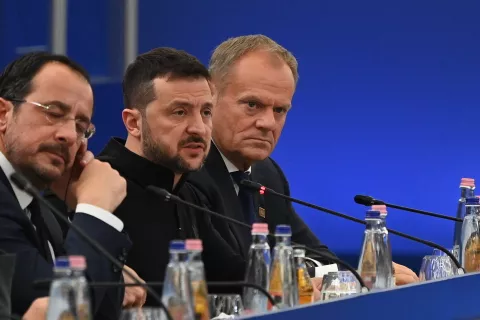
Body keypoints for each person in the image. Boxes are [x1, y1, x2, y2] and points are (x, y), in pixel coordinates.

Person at [187, 35, 420, 293]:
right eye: (252, 105)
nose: (268, 123)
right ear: (210, 98)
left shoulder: (267, 174)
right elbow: (230, 276)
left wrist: (350, 276)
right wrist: (305, 276)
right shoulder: (187, 174)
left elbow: (320, 256)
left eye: (280, 110)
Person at [45, 47, 245, 306]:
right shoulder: (86, 188)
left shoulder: (186, 192)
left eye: (206, 112)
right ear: (133, 123)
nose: (198, 128)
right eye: (179, 112)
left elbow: (235, 278)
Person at [0, 52, 131, 318]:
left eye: (81, 126)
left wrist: (78, 208)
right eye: (54, 113)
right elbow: (57, 309)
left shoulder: (42, 207)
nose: (69, 136)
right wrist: (96, 211)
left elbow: (105, 311)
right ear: (3, 115)